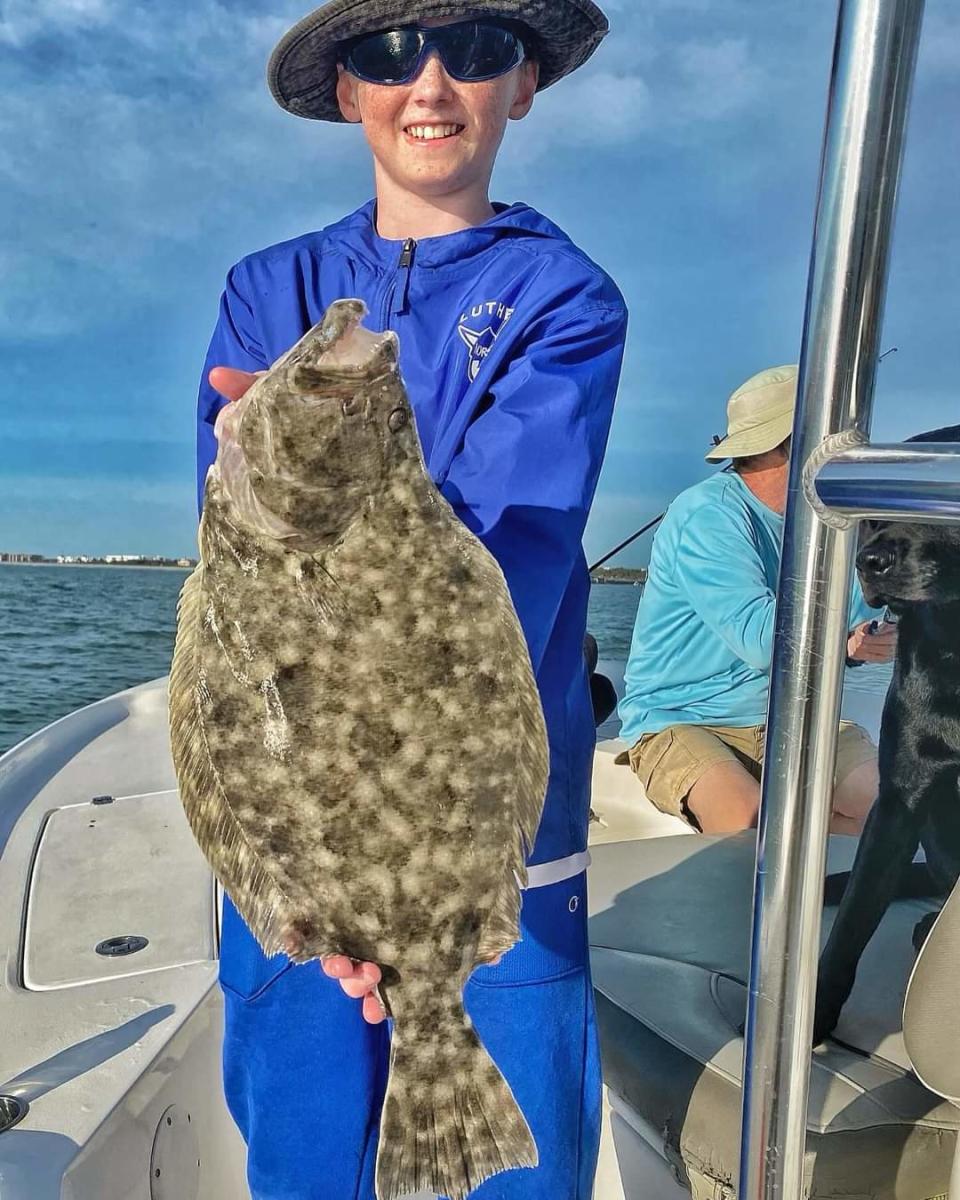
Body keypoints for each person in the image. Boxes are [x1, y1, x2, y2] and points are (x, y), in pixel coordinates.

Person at [195, 4, 628, 1198]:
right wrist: (262, 451)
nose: (429, 83)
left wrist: (313, 457)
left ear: (522, 86)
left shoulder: (563, 296)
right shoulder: (268, 287)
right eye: (389, 54)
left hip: (493, 822)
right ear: (348, 93)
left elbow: (518, 544)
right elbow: (232, 564)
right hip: (298, 814)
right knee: (305, 1147)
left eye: (474, 51)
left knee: (512, 1159)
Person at [617, 365, 896, 836]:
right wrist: (841, 644)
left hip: (792, 715)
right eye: (833, 443)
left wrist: (869, 635)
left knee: (894, 814)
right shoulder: (708, 514)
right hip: (681, 720)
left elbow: (857, 615)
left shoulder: (831, 520)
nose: (845, 456)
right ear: (794, 444)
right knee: (753, 824)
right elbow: (760, 637)